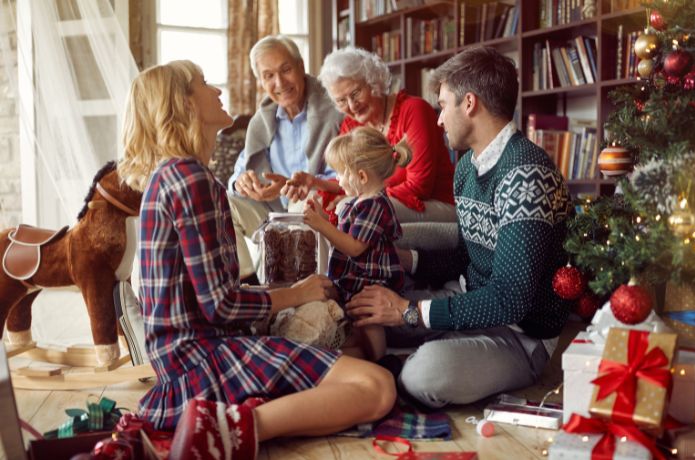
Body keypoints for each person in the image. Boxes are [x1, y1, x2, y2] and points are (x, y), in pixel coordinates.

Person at [117, 60, 395, 454]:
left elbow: (213, 299)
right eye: (204, 83)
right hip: (199, 361)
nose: (216, 90)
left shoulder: (173, 174)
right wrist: (298, 293)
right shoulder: (191, 178)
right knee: (377, 386)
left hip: (184, 357)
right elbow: (222, 304)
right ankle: (226, 428)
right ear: (184, 105)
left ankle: (233, 417)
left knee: (346, 354)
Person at [345, 47, 574, 409]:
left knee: (425, 374)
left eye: (442, 105)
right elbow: (467, 255)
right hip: (466, 298)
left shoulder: (526, 174)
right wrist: (406, 260)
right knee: (364, 317)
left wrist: (407, 311)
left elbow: (510, 299)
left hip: (520, 335)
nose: (438, 120)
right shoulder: (468, 166)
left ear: (469, 104)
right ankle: (406, 360)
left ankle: (405, 367)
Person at [283, 46, 455, 224]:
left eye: (355, 93)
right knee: (306, 203)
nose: (352, 105)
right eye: (341, 100)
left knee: (351, 208)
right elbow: (350, 179)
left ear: (373, 81)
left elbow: (419, 187)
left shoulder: (414, 110)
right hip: (383, 199)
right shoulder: (352, 125)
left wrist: (359, 198)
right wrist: (315, 182)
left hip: (433, 204)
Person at [227, 35, 344, 283]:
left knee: (303, 204)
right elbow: (241, 168)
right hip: (272, 211)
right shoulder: (263, 119)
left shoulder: (333, 109)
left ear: (301, 67)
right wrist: (242, 182)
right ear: (261, 81)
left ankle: (301, 293)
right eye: (268, 76)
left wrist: (304, 184)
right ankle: (249, 287)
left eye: (286, 70)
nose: (279, 82)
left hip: (313, 207)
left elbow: (347, 173)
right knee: (224, 203)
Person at [303, 127, 411, 361]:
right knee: (355, 319)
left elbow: (354, 247)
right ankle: (356, 351)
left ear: (361, 176)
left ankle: (381, 360)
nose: (338, 180)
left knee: (368, 319)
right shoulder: (359, 202)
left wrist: (323, 227)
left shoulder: (374, 205)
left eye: (340, 173)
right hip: (355, 276)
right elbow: (345, 234)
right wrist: (323, 219)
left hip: (370, 279)